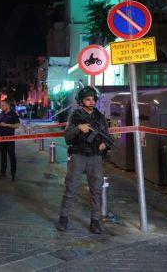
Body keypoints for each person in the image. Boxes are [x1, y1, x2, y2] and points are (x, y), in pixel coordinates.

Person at [57, 86, 109, 234]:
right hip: (78, 156)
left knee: (96, 190)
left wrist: (104, 145)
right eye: (88, 99)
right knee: (70, 188)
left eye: (93, 99)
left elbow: (107, 135)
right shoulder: (75, 116)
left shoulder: (100, 117)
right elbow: (67, 138)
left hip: (95, 157)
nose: (91, 102)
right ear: (81, 101)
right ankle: (63, 218)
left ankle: (95, 220)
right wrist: (79, 128)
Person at [0, 100, 21, 181]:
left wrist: (7, 125)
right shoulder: (0, 113)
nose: (1, 107)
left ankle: (13, 174)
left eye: (3, 105)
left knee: (12, 156)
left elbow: (17, 125)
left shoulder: (13, 114)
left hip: (10, 139)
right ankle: (3, 173)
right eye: (0, 105)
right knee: (3, 156)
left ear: (7, 105)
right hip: (1, 138)